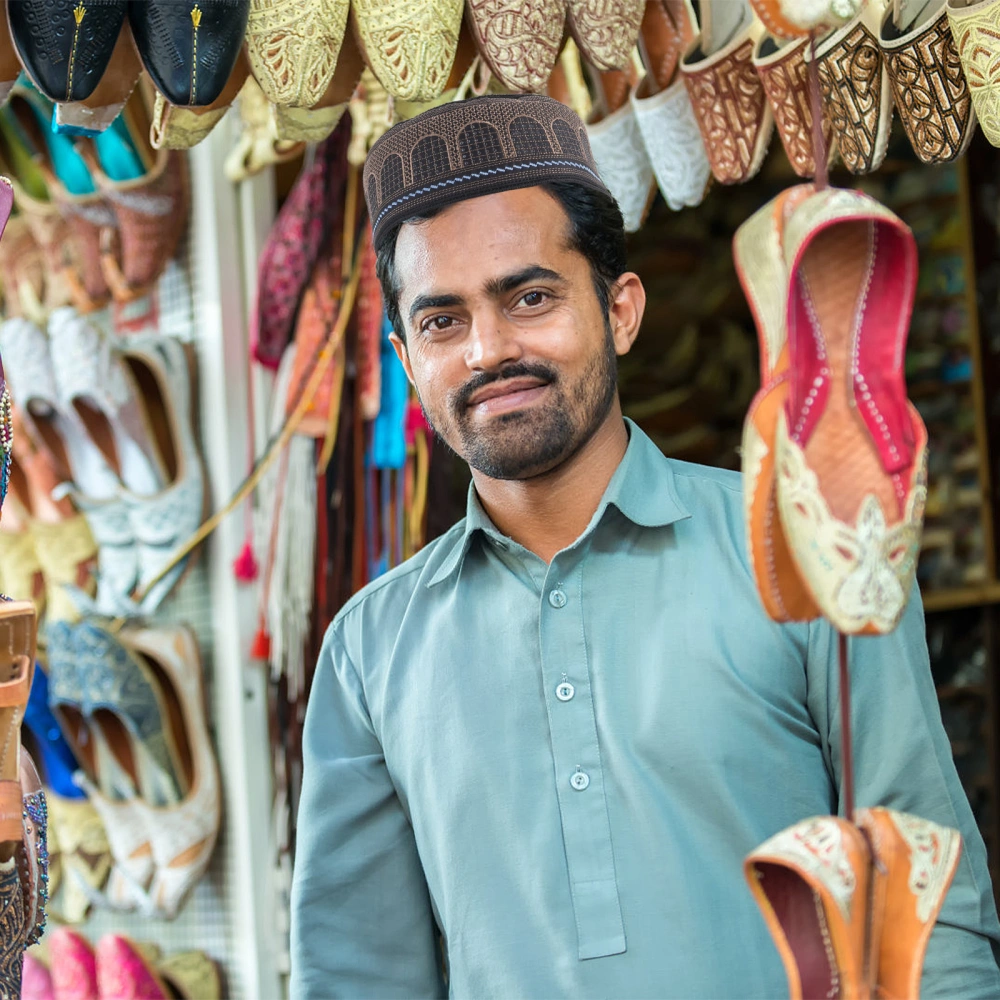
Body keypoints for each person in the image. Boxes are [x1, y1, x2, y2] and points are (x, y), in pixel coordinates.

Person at [290, 94, 1000, 998]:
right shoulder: (369, 652)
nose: (488, 350)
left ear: (620, 310)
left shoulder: (802, 547)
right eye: (443, 323)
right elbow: (356, 979)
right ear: (407, 361)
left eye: (531, 297)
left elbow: (933, 906)